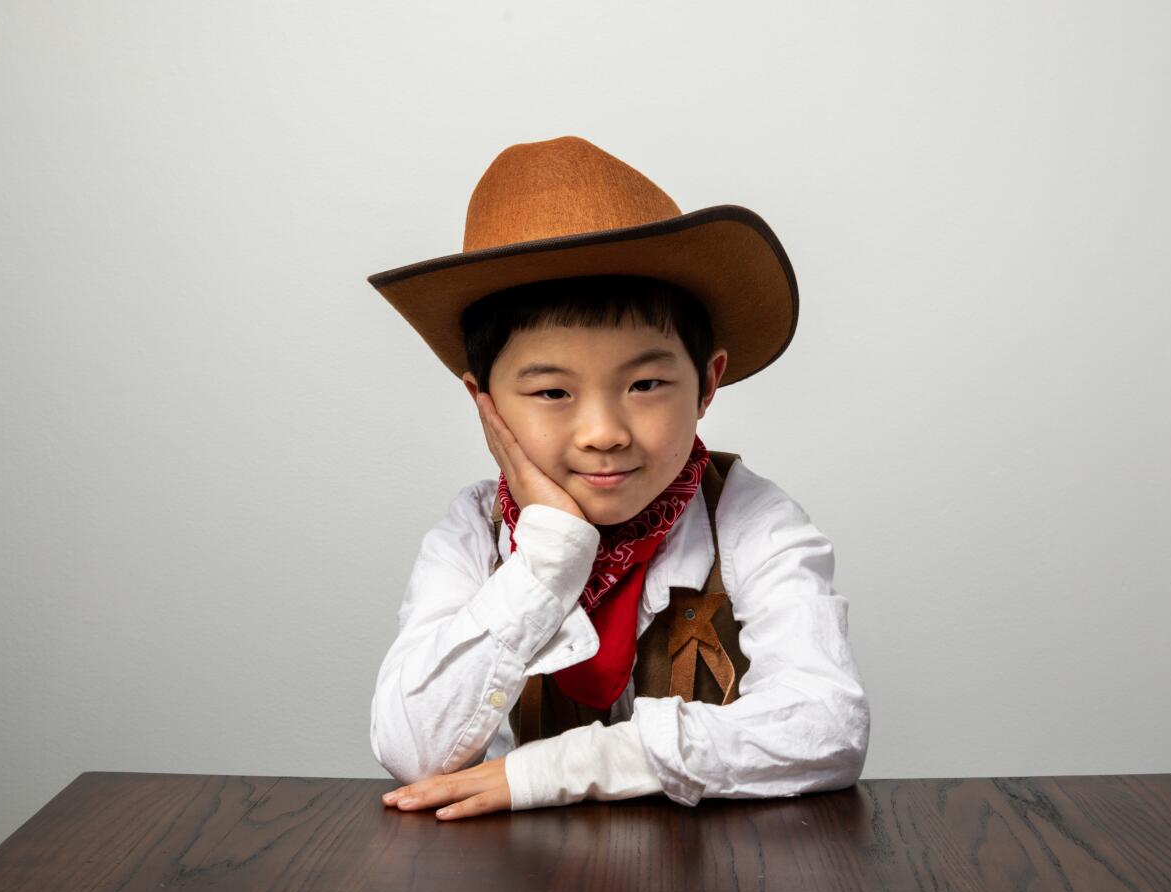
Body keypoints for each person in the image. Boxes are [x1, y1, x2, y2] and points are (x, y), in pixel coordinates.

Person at [367, 135, 870, 820]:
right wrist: (546, 557)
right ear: (484, 402)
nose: (603, 431)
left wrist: (566, 767)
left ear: (708, 383)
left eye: (646, 383)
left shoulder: (752, 520)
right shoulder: (475, 534)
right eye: (551, 393)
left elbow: (828, 727)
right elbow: (413, 752)